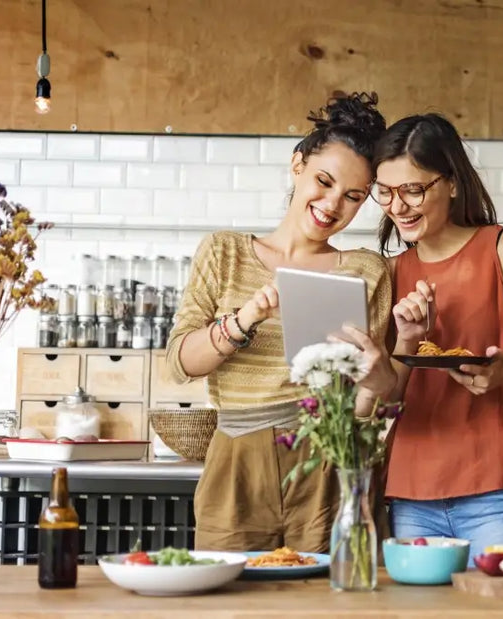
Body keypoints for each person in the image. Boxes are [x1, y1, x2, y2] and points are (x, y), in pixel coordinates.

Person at [165, 92, 397, 552]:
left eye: (353, 197)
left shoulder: (368, 270)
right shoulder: (224, 252)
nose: (332, 205)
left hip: (328, 458)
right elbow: (179, 364)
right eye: (324, 181)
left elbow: (365, 402)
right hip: (237, 456)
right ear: (297, 166)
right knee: (229, 601)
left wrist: (375, 380)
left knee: (328, 602)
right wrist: (246, 317)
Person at [373, 113, 503, 558]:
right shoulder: (391, 272)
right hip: (413, 487)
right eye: (386, 192)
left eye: (413, 189)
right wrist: (406, 342)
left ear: (451, 183)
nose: (398, 206)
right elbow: (389, 395)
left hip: (502, 487)